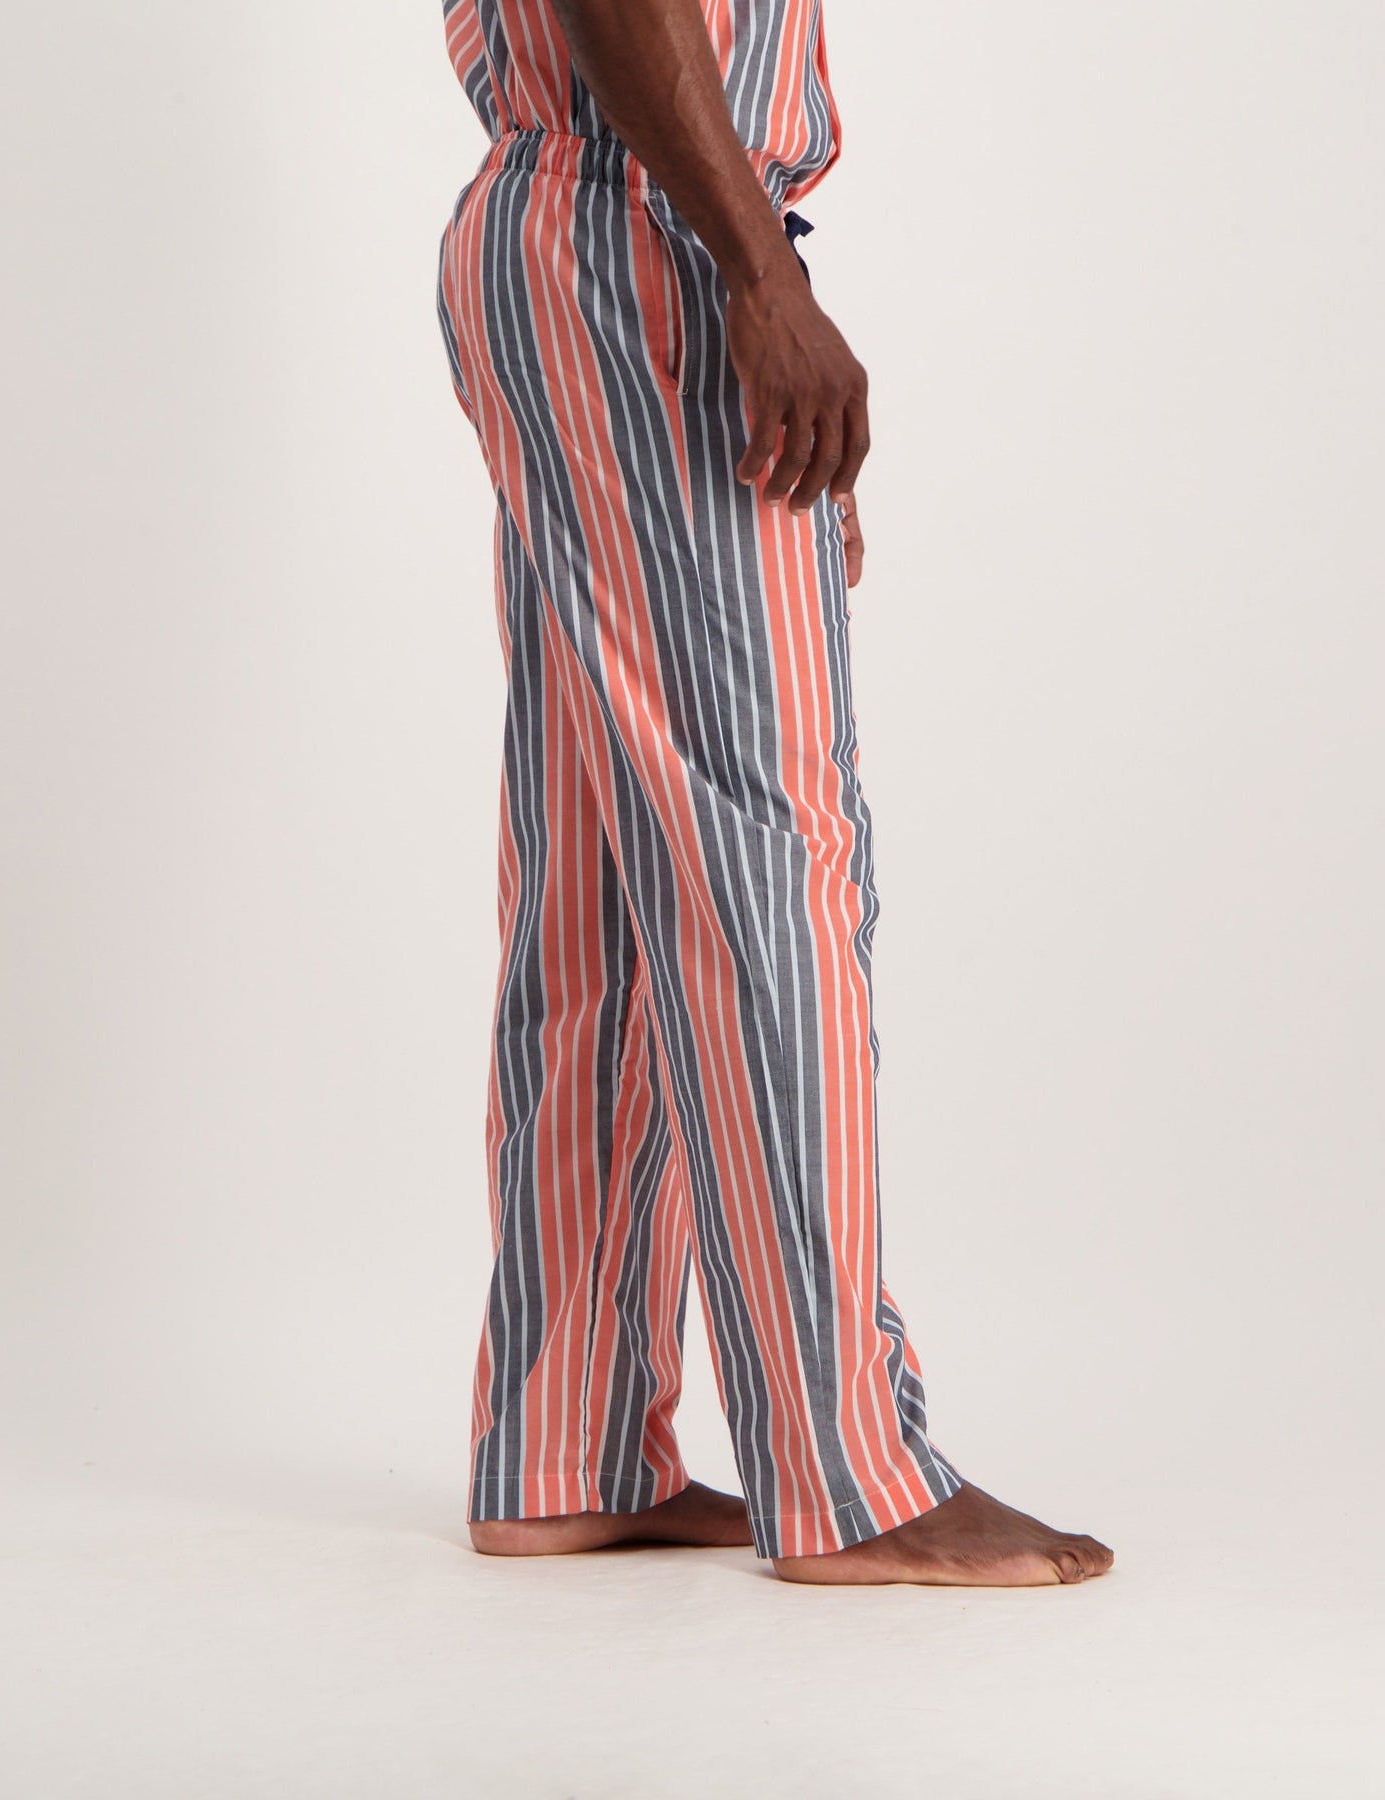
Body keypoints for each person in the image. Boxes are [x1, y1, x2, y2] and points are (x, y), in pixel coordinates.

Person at [434, 0, 1114, 1587]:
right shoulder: (694, 245)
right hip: (648, 242)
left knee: (601, 874)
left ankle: (566, 1446)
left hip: (571, 234)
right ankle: (850, 1475)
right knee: (772, 854)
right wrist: (761, 280)